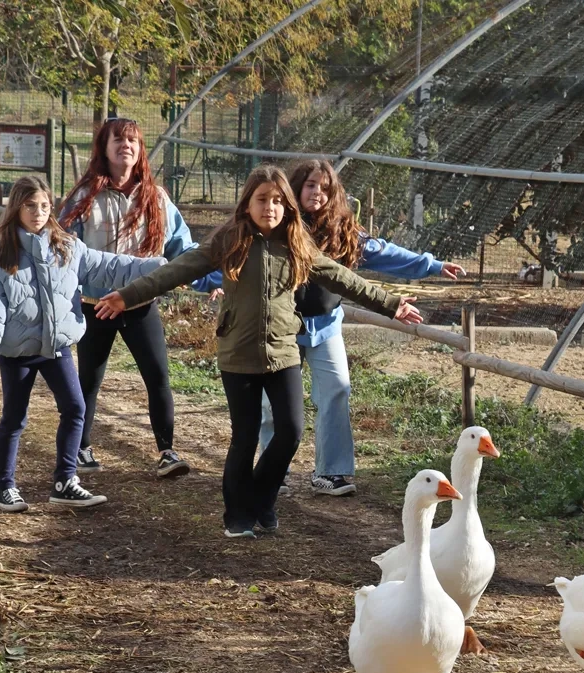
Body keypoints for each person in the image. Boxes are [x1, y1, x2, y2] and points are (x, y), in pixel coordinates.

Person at [94, 164, 423, 538]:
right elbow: (177, 271)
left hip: (284, 353)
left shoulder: (296, 242)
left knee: (291, 432)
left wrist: (391, 303)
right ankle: (237, 516)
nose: (270, 207)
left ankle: (262, 500)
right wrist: (127, 296)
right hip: (239, 355)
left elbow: (341, 277)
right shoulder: (229, 240)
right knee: (245, 437)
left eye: (278, 201)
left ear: (287, 206)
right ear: (247, 203)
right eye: (262, 199)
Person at [194, 159, 464, 497]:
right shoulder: (279, 226)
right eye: (310, 185)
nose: (317, 193)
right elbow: (233, 261)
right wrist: (208, 282)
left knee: (337, 388)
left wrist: (432, 265)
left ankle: (331, 472)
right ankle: (273, 473)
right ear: (295, 188)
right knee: (269, 405)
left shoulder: (343, 231)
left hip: (325, 326)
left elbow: (385, 253)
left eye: (325, 188)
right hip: (281, 330)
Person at [0, 175, 166, 513]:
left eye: (44, 205)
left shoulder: (67, 248)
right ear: (16, 207)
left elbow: (111, 266)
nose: (38, 212)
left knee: (75, 408)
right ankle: (4, 487)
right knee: (14, 419)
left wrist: (162, 268)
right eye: (30, 205)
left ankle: (65, 482)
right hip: (18, 354)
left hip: (57, 349)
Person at [60, 118, 196, 479]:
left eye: (133, 140)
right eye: (118, 139)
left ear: (141, 150)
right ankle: (81, 448)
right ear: (103, 149)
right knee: (89, 379)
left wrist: (207, 275)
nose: (126, 145)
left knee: (158, 375)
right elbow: (62, 247)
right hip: (96, 305)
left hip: (140, 302)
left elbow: (182, 248)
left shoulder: (157, 198)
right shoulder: (83, 197)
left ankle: (167, 451)